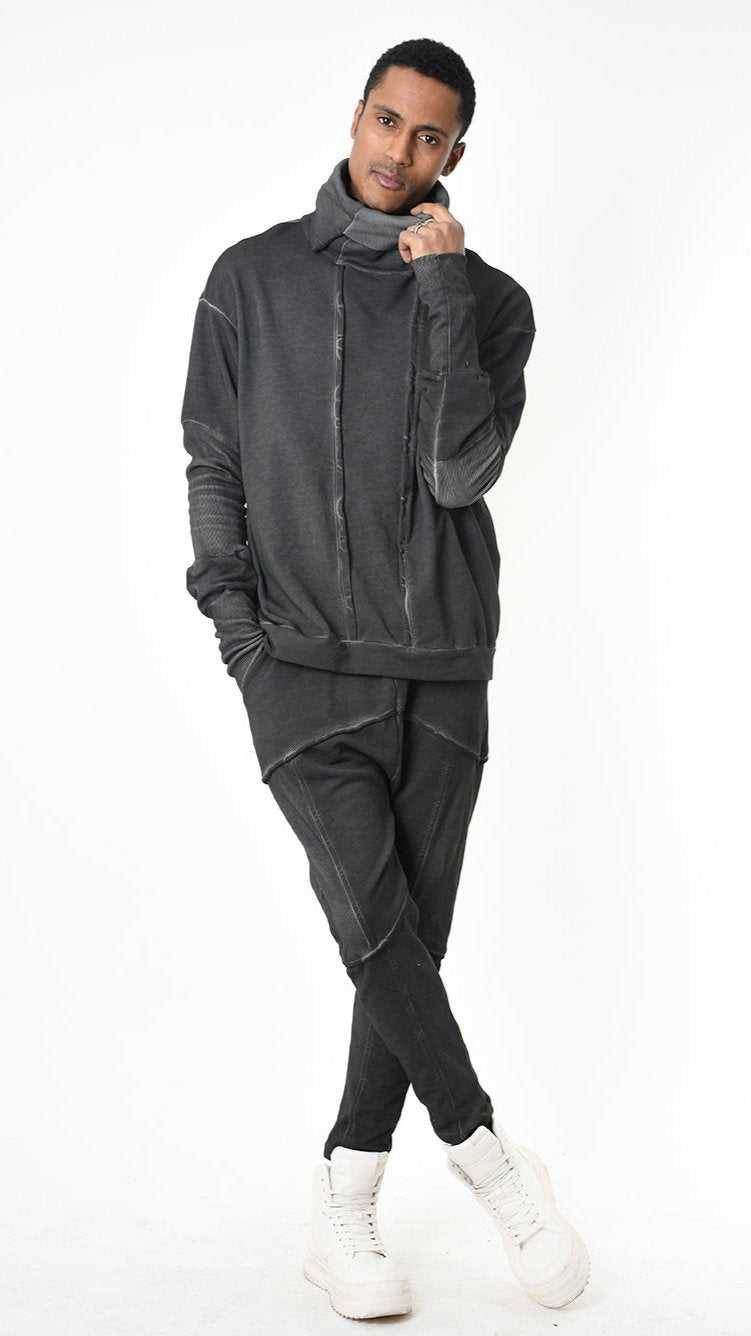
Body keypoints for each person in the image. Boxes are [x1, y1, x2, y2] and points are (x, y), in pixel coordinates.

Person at [180, 35, 590, 1324]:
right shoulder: (249, 281)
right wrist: (237, 634)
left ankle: (343, 1202)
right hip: (297, 666)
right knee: (374, 926)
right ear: (356, 114)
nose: (397, 152)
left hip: (446, 662)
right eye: (385, 121)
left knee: (404, 946)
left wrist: (444, 289)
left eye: (428, 137)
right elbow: (212, 463)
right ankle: (492, 1164)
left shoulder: (491, 300)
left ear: (456, 153)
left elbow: (462, 471)